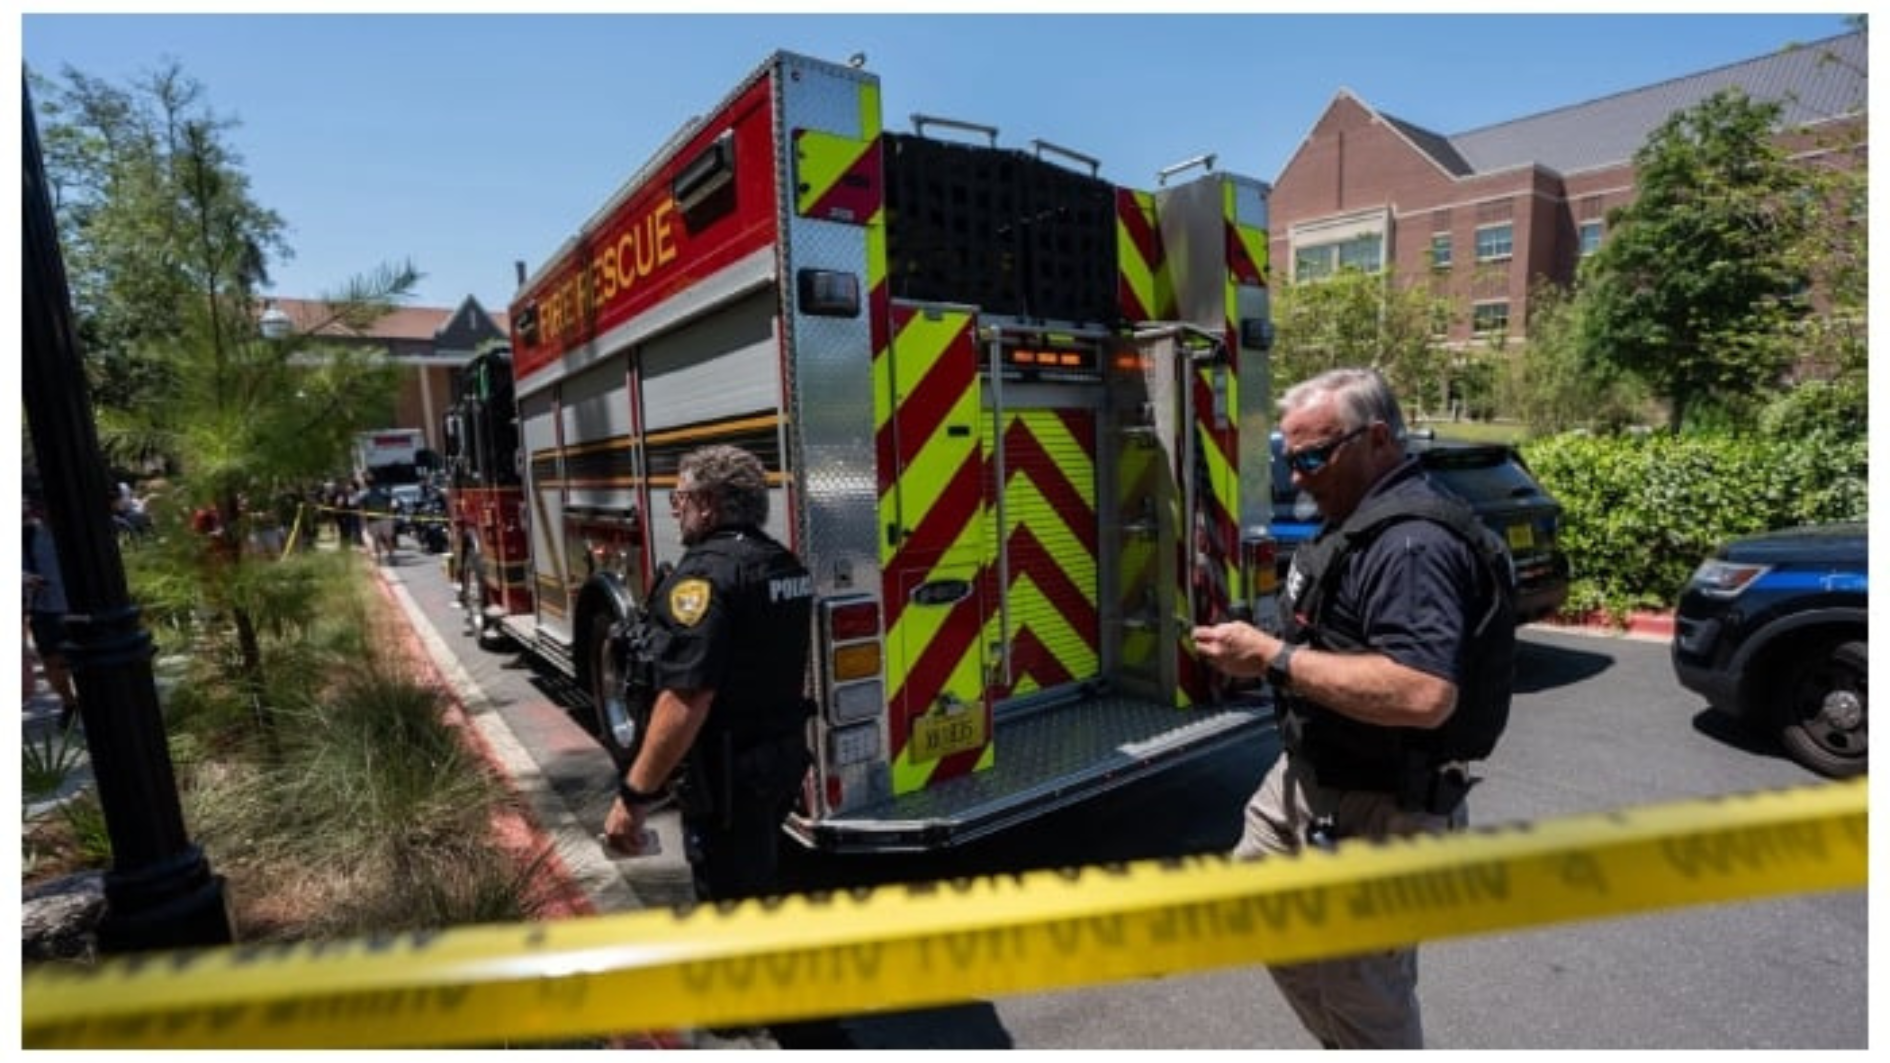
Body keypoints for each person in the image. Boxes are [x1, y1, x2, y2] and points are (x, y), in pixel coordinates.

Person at [1192, 367, 1515, 1050]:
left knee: (1362, 991)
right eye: (1291, 458)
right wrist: (1264, 655)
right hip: (1310, 777)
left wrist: (1274, 658)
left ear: (1376, 440)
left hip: (1383, 803)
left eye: (1313, 457)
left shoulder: (1412, 546)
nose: (1297, 476)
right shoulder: (1356, 523)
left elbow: (1423, 693)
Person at [601, 444, 814, 904]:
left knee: (729, 904)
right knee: (757, 877)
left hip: (727, 782)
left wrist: (634, 796)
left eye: (679, 498)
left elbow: (686, 698)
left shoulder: (703, 579)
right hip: (778, 764)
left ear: (708, 503)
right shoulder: (783, 563)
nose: (674, 510)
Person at [23, 489, 80, 730]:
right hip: (46, 610)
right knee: (53, 661)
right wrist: (27, 577)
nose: (41, 513)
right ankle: (69, 702)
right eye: (38, 508)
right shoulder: (27, 535)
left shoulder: (78, 530)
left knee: (84, 658)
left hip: (79, 607)